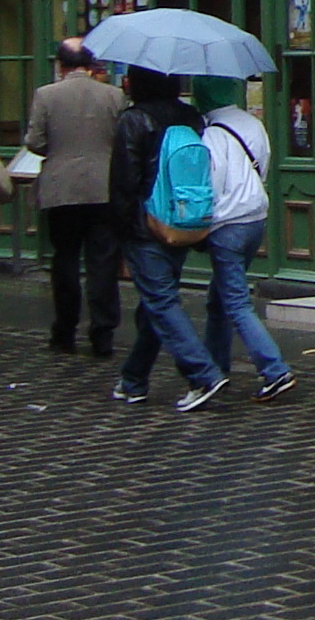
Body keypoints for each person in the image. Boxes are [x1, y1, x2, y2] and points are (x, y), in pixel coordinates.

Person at [109, 66, 230, 411]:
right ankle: (133, 379)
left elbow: (124, 181)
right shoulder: (190, 116)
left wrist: (121, 231)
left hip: (145, 223)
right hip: (181, 217)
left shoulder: (133, 120)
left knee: (160, 301)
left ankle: (202, 374)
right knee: (156, 301)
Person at [25, 39, 128, 356]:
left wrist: (59, 152)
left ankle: (65, 330)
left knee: (65, 259)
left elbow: (34, 141)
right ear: (91, 65)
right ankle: (102, 332)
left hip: (62, 188)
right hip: (103, 187)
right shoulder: (114, 95)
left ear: (60, 65)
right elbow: (122, 139)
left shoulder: (46, 95)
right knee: (103, 262)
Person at [196, 82, 295, 401]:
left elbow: (212, 181)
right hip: (255, 216)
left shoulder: (212, 133)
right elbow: (263, 163)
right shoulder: (253, 123)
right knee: (220, 298)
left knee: (236, 302)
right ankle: (216, 365)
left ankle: (274, 369)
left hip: (227, 222)